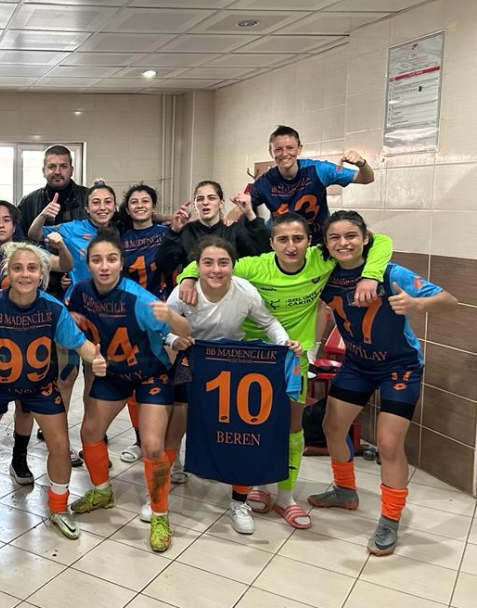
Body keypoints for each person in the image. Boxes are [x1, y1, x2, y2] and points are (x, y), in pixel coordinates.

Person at [176, 212, 392, 531]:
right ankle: (257, 485)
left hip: (293, 357)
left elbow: (381, 241)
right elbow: (211, 263)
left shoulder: (322, 258)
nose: (291, 246)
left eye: (298, 239)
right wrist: (186, 279)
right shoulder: (255, 266)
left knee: (292, 426)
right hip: (251, 359)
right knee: (252, 426)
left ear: (310, 242)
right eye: (283, 239)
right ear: (272, 243)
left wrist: (371, 276)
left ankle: (287, 497)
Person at [308, 211, 457, 555]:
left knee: (389, 444)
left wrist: (417, 303)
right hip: (358, 364)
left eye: (350, 236)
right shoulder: (325, 275)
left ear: (365, 238)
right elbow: (320, 310)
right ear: (326, 244)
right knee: (332, 427)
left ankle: (390, 518)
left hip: (400, 368)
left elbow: (449, 301)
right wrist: (313, 350)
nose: (343, 243)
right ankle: (345, 490)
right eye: (334, 237)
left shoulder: (390, 273)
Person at [0, 241, 107, 543]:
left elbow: (79, 343)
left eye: (32, 268)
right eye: (17, 268)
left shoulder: (52, 307)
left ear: (41, 274)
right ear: (8, 272)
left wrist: (95, 359)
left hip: (39, 385)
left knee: (60, 446)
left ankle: (58, 508)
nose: (25, 274)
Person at [163, 237, 302, 535]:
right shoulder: (183, 292)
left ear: (233, 265)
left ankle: (239, 502)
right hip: (193, 360)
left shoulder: (245, 291)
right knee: (178, 423)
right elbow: (159, 326)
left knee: (241, 432)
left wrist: (285, 342)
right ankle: (159, 495)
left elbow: (268, 322)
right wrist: (174, 340)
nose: (216, 269)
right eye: (208, 263)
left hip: (232, 365)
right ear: (197, 266)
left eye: (223, 263)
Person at [66, 231, 190, 553]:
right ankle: (102, 491)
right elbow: (75, 326)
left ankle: (160, 514)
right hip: (113, 374)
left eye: (111, 259)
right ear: (88, 264)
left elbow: (182, 332)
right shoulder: (80, 291)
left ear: (121, 262)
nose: (104, 266)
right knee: (89, 432)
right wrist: (81, 335)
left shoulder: (139, 299)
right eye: (97, 260)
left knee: (152, 446)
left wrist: (173, 322)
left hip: (150, 374)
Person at [0, 200, 73, 485]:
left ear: (15, 224)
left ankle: (19, 457)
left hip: (27, 336)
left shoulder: (28, 251)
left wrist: (61, 247)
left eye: (7, 219)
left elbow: (64, 265)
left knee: (26, 404)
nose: (1, 224)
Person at [27, 180, 119, 465]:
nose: (102, 207)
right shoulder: (72, 228)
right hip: (74, 316)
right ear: (87, 207)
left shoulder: (122, 231)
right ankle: (59, 442)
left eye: (107, 201)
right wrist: (43, 215)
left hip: (109, 318)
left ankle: (92, 440)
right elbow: (34, 234)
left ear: (115, 206)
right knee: (66, 377)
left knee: (96, 379)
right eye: (96, 202)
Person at [115, 183, 171, 465]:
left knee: (164, 380)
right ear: (127, 209)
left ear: (153, 206)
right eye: (134, 202)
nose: (140, 205)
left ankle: (169, 446)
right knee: (135, 377)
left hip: (162, 313)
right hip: (130, 316)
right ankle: (140, 439)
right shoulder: (120, 238)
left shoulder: (167, 233)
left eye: (145, 201)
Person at [249, 125, 374, 244]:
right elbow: (242, 206)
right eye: (278, 149)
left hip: (318, 240)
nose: (284, 153)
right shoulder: (264, 182)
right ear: (271, 152)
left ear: (299, 148)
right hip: (284, 242)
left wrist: (361, 163)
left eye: (290, 148)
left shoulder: (319, 170)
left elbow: (366, 178)